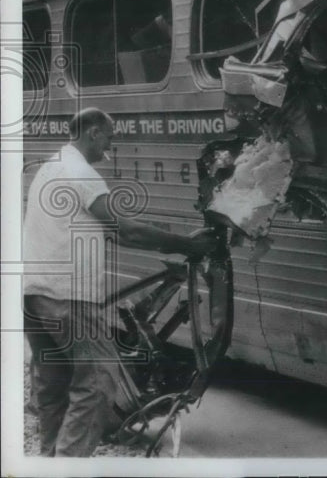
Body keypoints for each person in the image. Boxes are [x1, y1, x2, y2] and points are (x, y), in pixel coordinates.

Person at [22, 107, 216, 457]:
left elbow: (113, 233)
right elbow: (125, 228)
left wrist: (170, 241)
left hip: (35, 295)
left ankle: (49, 462)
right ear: (93, 132)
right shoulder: (81, 173)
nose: (112, 144)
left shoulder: (50, 167)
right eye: (110, 136)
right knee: (98, 384)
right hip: (70, 298)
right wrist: (188, 245)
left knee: (53, 386)